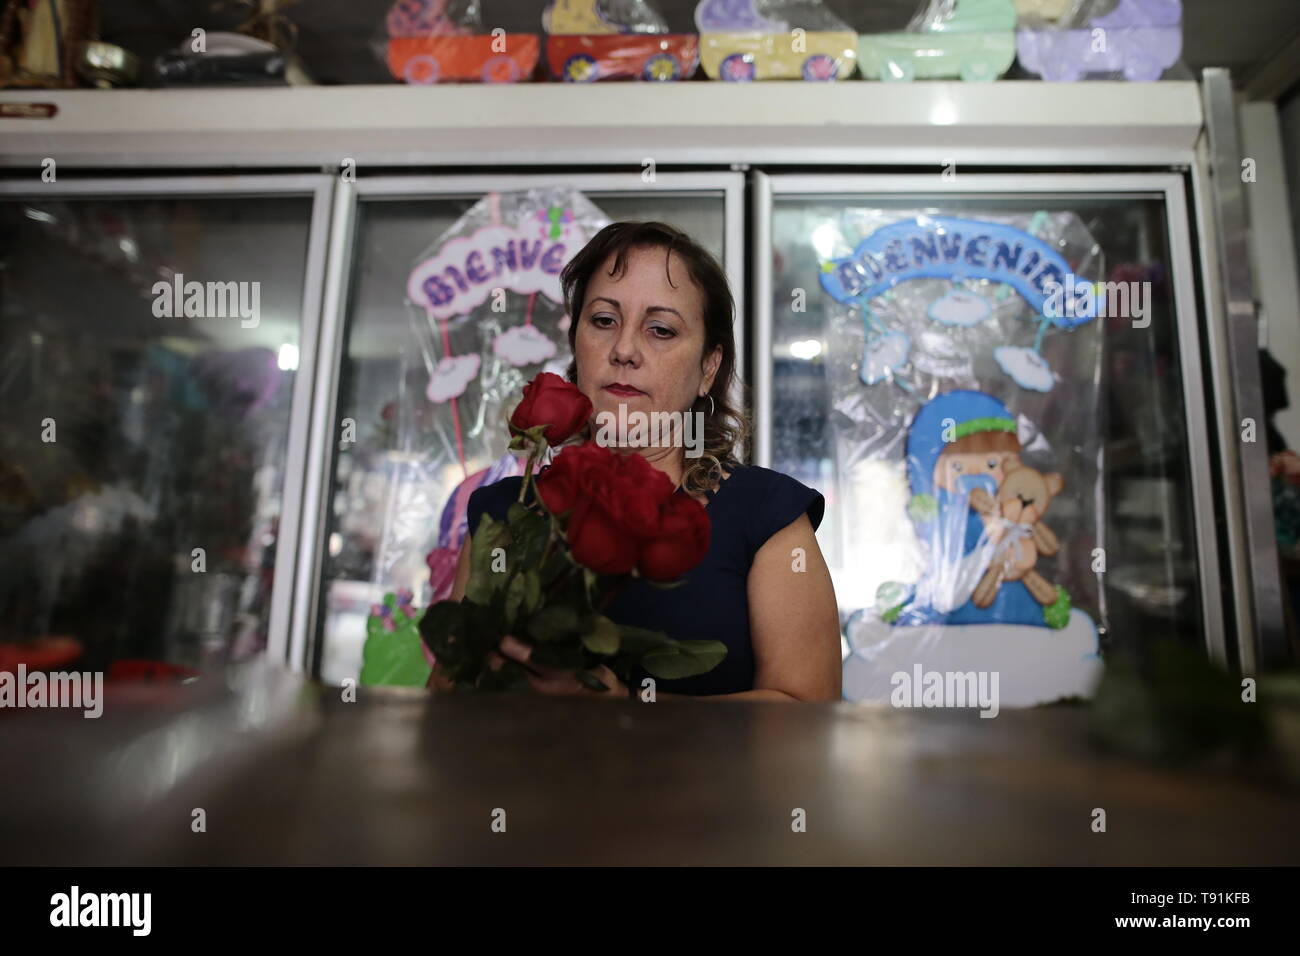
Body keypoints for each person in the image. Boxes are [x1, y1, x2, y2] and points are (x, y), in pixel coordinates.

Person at [435, 221, 842, 700]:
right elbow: (443, 706)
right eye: (604, 320)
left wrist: (624, 709)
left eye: (661, 330)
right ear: (576, 346)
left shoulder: (765, 515)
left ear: (708, 368)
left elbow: (808, 714)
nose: (624, 350)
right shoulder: (504, 514)